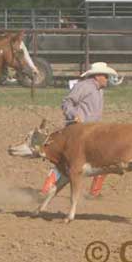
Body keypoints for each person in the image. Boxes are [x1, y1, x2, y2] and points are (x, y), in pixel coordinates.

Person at [40, 62, 118, 198]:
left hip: (92, 131)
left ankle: (94, 192)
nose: (107, 78)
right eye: (105, 76)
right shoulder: (84, 86)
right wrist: (73, 115)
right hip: (78, 132)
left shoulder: (99, 90)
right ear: (97, 76)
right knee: (67, 162)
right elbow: (67, 102)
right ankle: (46, 190)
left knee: (105, 158)